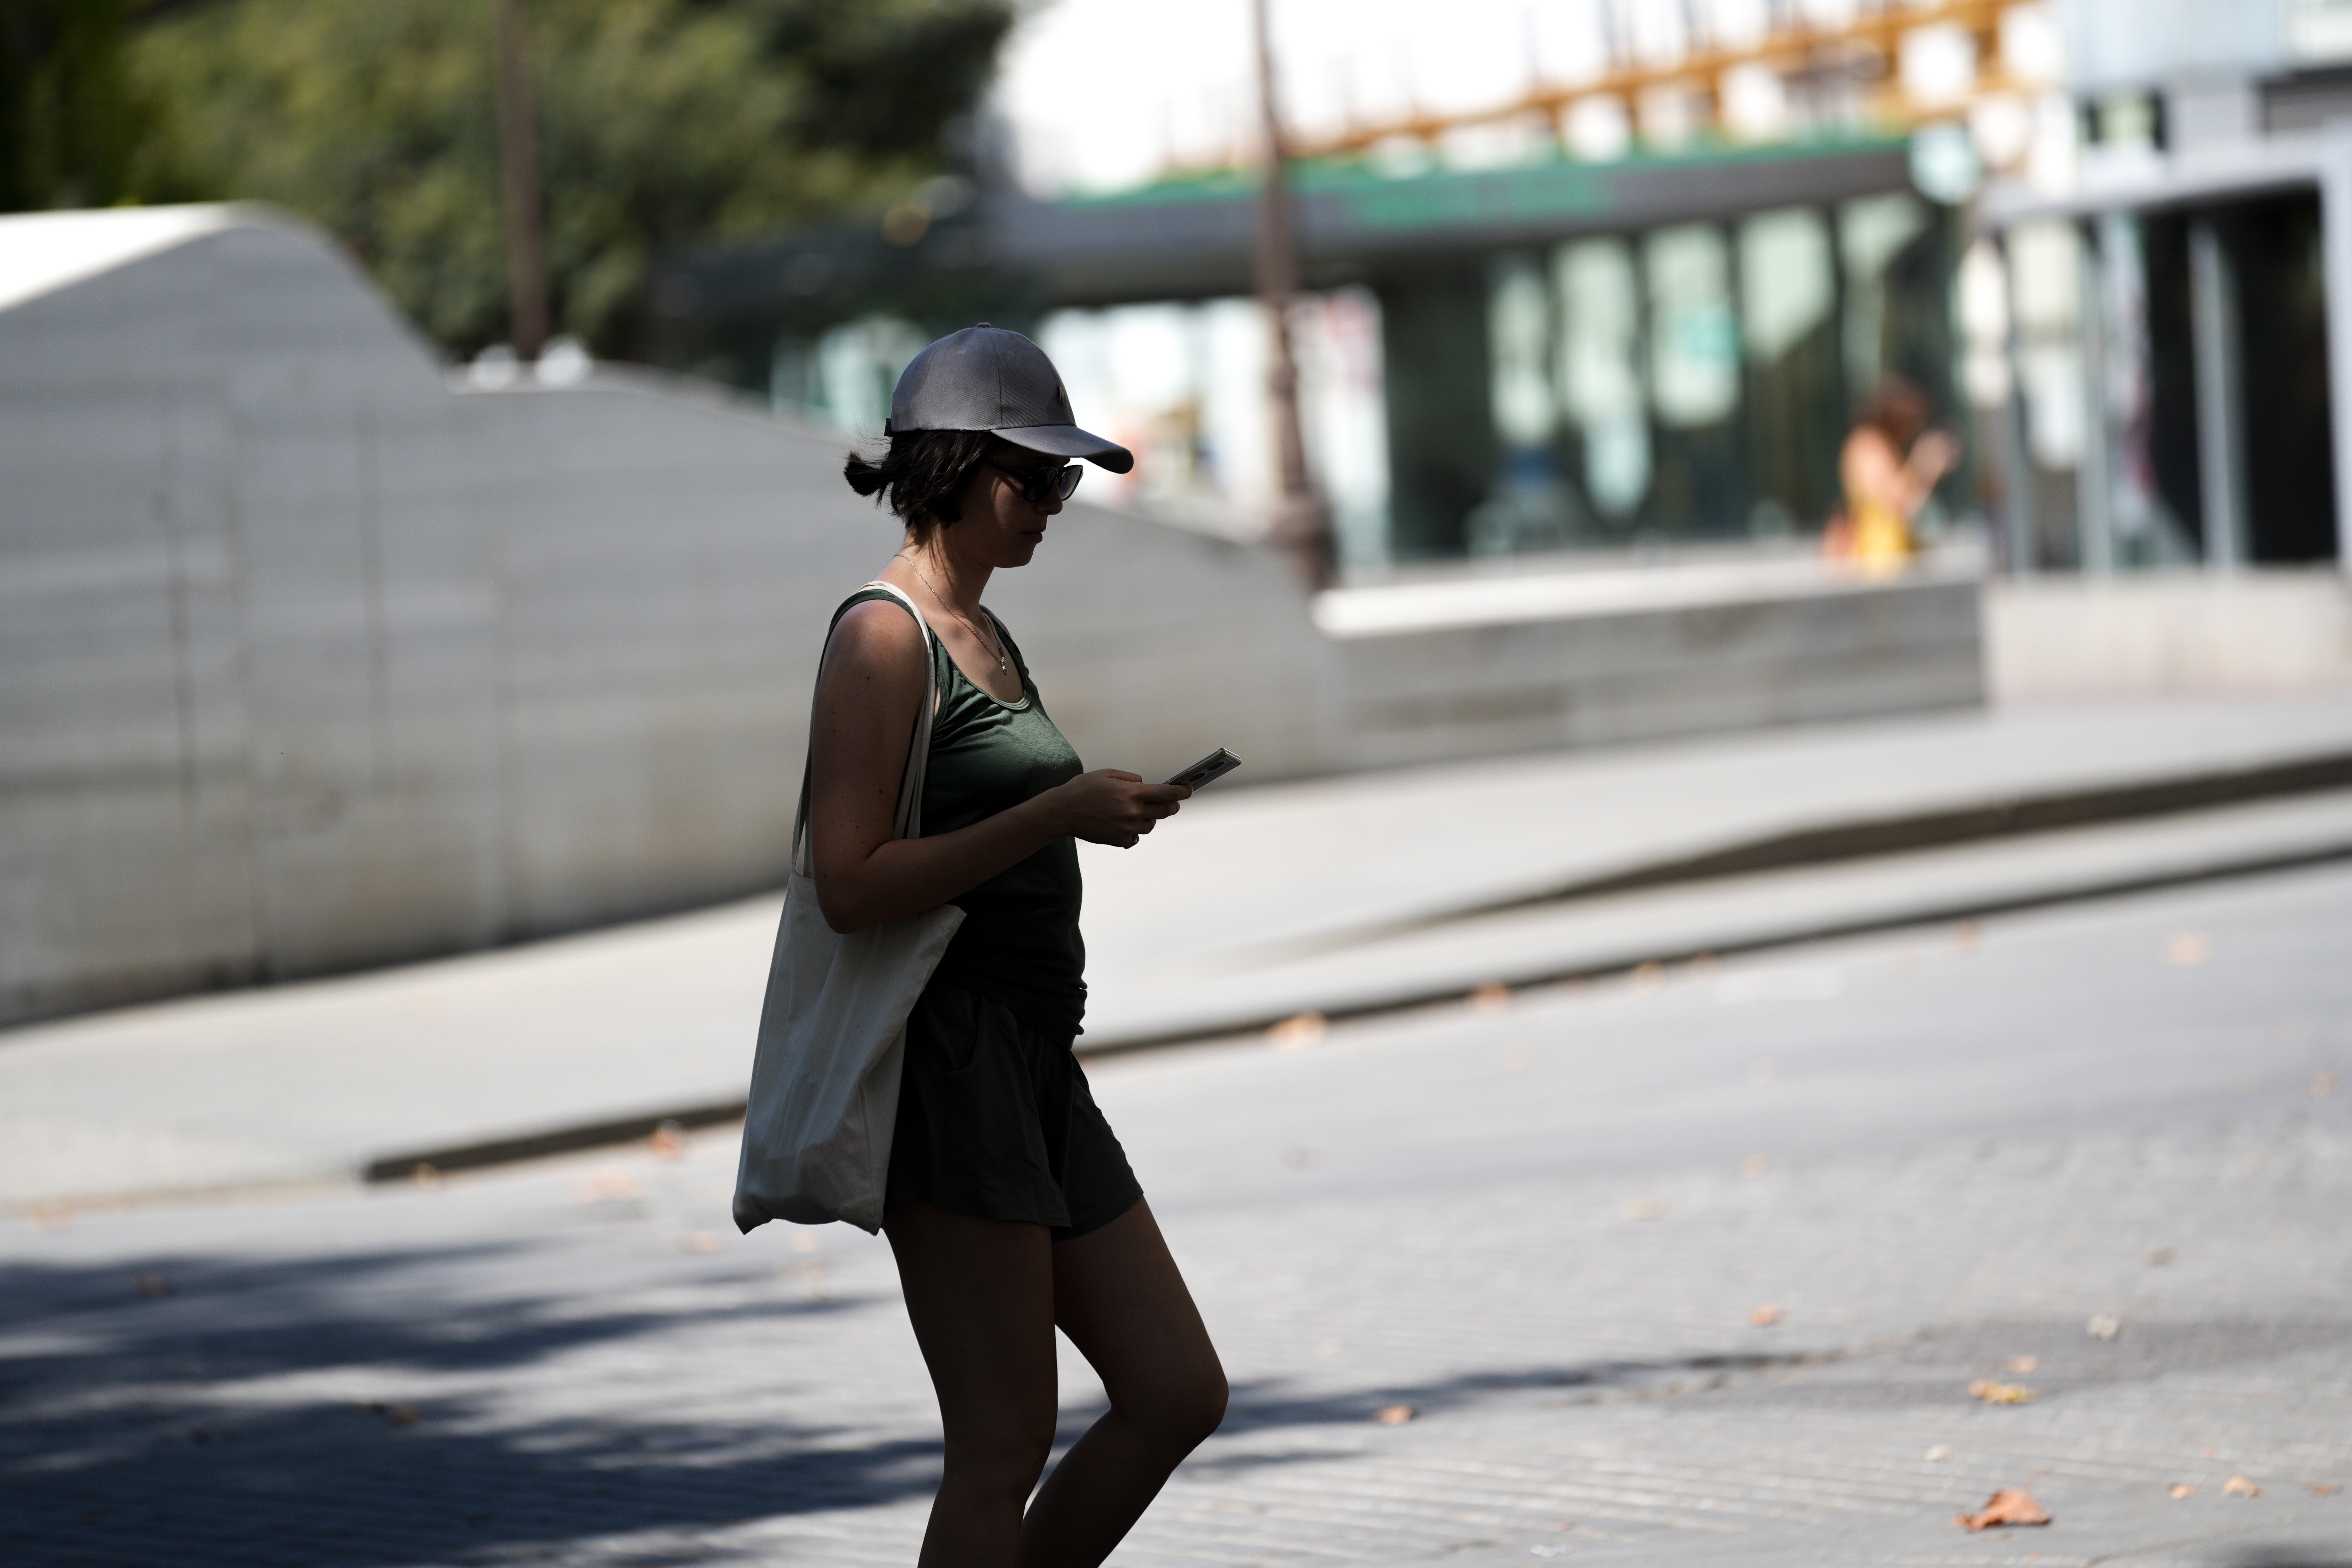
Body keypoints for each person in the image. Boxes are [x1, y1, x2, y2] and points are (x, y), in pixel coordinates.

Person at [809, 326, 1227, 1567]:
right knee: (999, 1443)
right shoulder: (883, 637)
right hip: (952, 1064)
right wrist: (1058, 811)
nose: (1056, 500)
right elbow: (849, 882)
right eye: (1034, 475)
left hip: (1040, 1062)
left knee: (1174, 1389)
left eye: (1067, 479)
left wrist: (1095, 813)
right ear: (952, 464)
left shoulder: (985, 630)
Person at [1824, 376, 1960, 574]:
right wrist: (1924, 464)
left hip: (1896, 557)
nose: (1911, 430)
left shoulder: (1885, 447)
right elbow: (1896, 502)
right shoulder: (1867, 445)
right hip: (1878, 560)